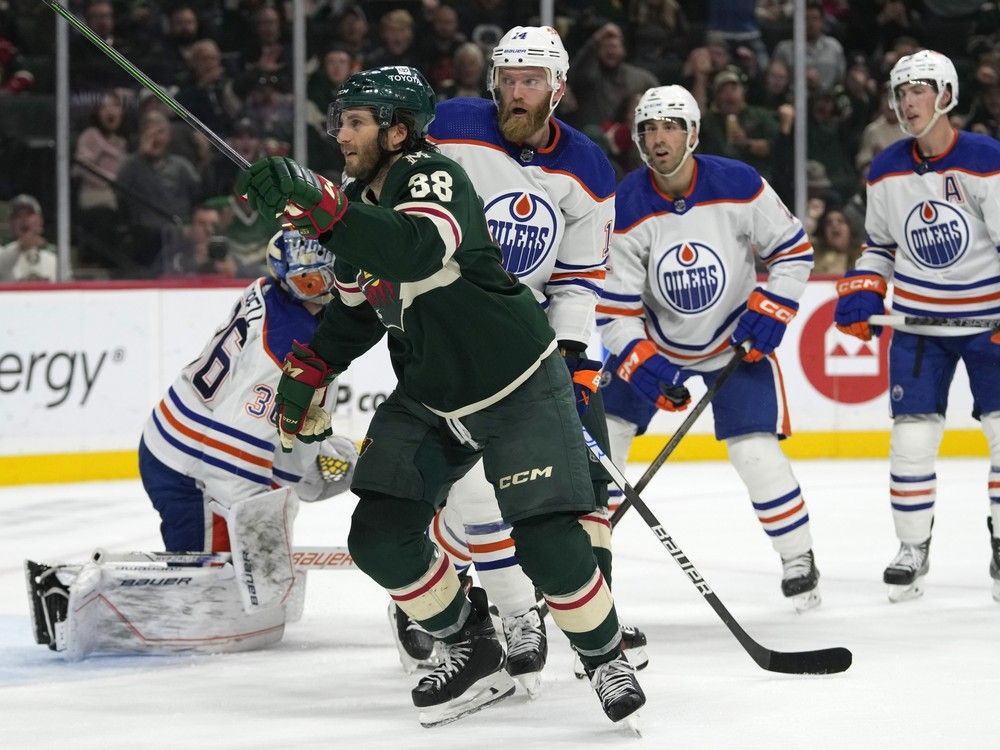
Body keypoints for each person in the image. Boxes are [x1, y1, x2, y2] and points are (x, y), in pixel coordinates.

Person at [236, 66, 646, 728]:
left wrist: (328, 213)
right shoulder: (352, 200)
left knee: (547, 542)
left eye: (358, 122)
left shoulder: (432, 177)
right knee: (379, 535)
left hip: (515, 379)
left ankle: (604, 655)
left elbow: (418, 250)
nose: (342, 133)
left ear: (398, 132)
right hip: (433, 391)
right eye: (340, 120)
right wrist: (311, 364)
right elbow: (358, 308)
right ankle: (469, 641)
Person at [424, 24, 648, 692]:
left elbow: (580, 277)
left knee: (586, 487)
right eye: (508, 79)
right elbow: (385, 155)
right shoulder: (452, 125)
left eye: (531, 81)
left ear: (558, 87)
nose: (516, 93)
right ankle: (484, 608)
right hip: (452, 338)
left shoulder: (586, 166)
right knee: (464, 486)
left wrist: (573, 352)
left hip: (539, 345)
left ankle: (593, 628)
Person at [24, 229, 359, 659]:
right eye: (312, 282)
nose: (324, 288)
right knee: (213, 595)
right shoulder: (294, 353)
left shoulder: (265, 291)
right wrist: (262, 544)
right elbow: (243, 460)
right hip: (195, 470)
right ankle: (74, 600)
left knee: (223, 572)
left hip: (175, 437)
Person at [598, 85, 822, 612]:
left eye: (671, 126)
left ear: (693, 133)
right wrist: (641, 360)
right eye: (649, 129)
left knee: (756, 454)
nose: (659, 139)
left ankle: (799, 557)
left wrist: (772, 306)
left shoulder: (739, 183)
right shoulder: (625, 205)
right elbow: (614, 309)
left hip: (734, 342)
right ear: (636, 138)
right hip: (656, 341)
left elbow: (793, 252)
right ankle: (584, 572)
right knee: (605, 454)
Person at [833, 50, 1000, 604]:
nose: (907, 102)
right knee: (910, 441)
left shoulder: (984, 159)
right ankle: (912, 548)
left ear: (946, 96)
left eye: (919, 91)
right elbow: (879, 246)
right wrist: (864, 287)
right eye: (901, 92)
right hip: (919, 323)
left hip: (988, 323)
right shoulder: (885, 167)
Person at [0, 194, 57, 282]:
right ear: (10, 223)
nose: (23, 220)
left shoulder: (55, 253)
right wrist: (20, 246)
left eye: (29, 215)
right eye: (18, 216)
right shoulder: (3, 250)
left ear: (40, 220)